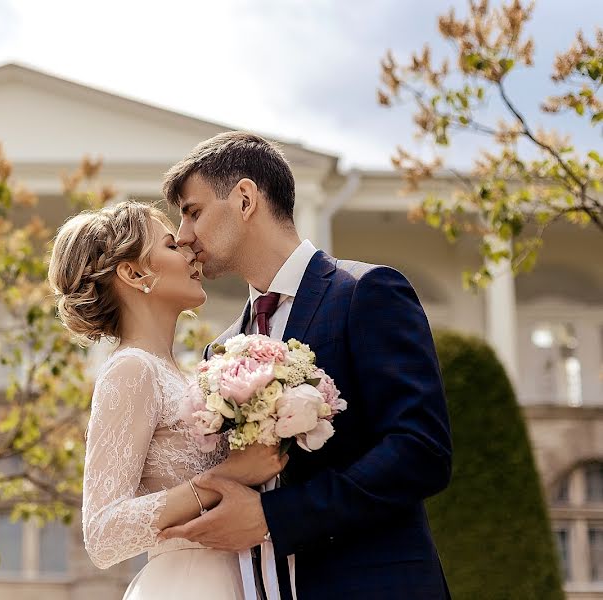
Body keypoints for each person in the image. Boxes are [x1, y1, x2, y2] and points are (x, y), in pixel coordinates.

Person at [158, 131, 453, 599]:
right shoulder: (222, 350)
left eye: (193, 211)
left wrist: (277, 519)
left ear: (245, 199)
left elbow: (421, 451)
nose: (183, 235)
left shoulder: (366, 292)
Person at [47, 201, 286, 599]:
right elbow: (103, 534)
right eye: (173, 246)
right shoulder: (130, 371)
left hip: (246, 578)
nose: (192, 253)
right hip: (189, 583)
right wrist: (223, 479)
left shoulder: (197, 373)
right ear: (134, 272)